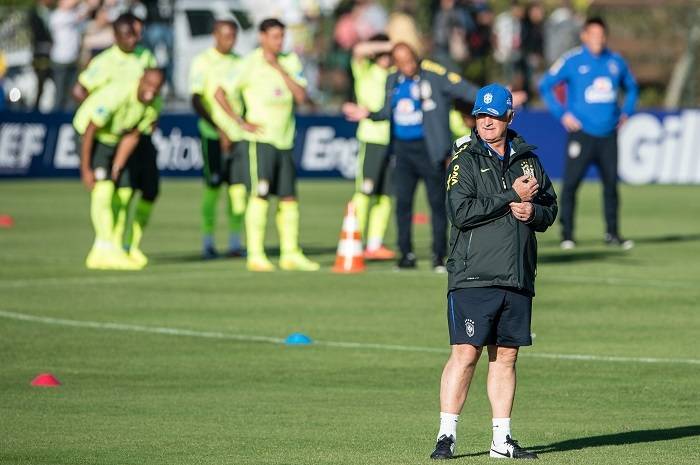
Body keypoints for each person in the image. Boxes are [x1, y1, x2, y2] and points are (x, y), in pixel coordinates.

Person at [430, 83, 557, 460]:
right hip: (474, 276)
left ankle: (501, 441)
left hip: (517, 275)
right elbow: (460, 212)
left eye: (494, 115)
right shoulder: (465, 159)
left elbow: (550, 208)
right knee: (465, 353)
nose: (486, 121)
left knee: (506, 358)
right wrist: (510, 197)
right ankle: (446, 435)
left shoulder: (528, 159)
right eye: (481, 114)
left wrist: (534, 212)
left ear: (509, 117)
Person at [343, 43, 481, 272]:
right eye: (400, 61)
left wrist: (493, 97)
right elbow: (387, 111)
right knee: (403, 205)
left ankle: (439, 255)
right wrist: (368, 113)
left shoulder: (433, 77)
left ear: (415, 58)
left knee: (437, 204)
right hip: (402, 151)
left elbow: (464, 90)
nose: (406, 65)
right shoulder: (393, 80)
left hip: (430, 150)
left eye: (409, 60)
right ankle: (406, 254)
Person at [227, 18, 319, 272]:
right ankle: (255, 254)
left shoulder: (289, 61)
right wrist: (239, 121)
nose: (280, 41)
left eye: (282, 36)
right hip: (260, 141)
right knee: (260, 196)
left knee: (289, 198)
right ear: (262, 37)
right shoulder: (249, 63)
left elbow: (301, 96)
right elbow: (220, 92)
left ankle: (290, 253)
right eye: (275, 36)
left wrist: (279, 68)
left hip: (285, 140)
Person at [539, 17, 638, 250]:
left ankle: (612, 233)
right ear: (584, 36)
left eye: (601, 35)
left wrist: (627, 112)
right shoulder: (572, 60)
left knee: (611, 186)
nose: (598, 40)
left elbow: (632, 88)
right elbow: (546, 84)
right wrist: (562, 114)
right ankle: (568, 234)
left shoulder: (615, 61)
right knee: (571, 184)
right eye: (593, 35)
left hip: (608, 135)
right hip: (581, 134)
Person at [73, 13, 160, 268]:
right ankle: (102, 247)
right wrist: (85, 168)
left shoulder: (145, 59)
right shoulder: (107, 65)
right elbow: (82, 100)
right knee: (102, 189)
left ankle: (118, 245)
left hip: (124, 131)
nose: (134, 40)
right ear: (116, 36)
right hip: (98, 129)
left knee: (124, 189)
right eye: (128, 35)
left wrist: (118, 162)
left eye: (136, 34)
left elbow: (133, 133)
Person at [190, 19, 248, 259]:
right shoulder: (202, 61)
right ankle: (208, 242)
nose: (229, 40)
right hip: (212, 135)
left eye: (233, 36)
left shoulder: (240, 62)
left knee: (238, 192)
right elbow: (196, 99)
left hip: (238, 137)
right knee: (213, 189)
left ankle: (235, 242)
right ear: (215, 35)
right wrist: (219, 128)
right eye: (225, 35)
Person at [349, 35, 395, 260]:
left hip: (392, 141)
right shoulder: (365, 70)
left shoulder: (395, 76)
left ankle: (374, 244)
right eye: (384, 53)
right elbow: (359, 48)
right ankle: (354, 239)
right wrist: (390, 44)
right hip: (371, 139)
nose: (388, 57)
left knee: (385, 196)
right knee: (364, 192)